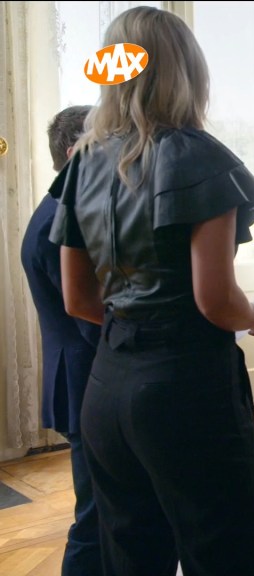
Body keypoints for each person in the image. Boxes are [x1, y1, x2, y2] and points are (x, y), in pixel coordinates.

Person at [49, 7, 254, 574]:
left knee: (131, 555)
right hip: (186, 388)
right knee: (225, 553)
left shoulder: (84, 161)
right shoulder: (198, 156)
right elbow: (216, 300)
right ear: (186, 69)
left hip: (107, 387)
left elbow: (78, 299)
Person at [20, 105, 101, 576]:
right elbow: (85, 313)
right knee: (95, 517)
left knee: (102, 509)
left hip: (78, 375)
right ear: (76, 153)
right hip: (84, 377)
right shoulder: (61, 220)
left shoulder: (53, 210)